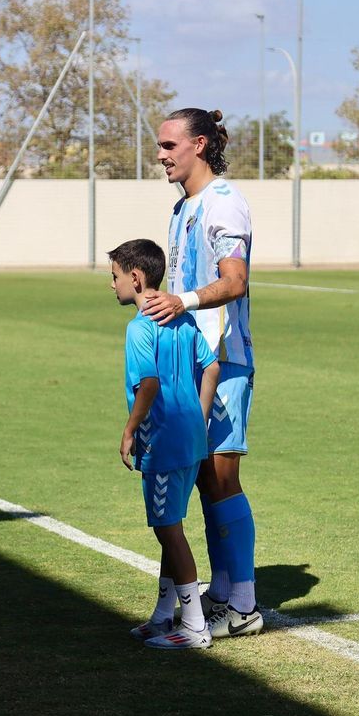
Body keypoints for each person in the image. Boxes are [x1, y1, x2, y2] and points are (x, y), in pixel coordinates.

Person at [140, 108, 261, 638]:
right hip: (191, 363)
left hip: (225, 358)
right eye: (160, 146)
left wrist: (181, 300)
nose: (162, 155)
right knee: (200, 476)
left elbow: (235, 281)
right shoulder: (182, 207)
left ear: (201, 145)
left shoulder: (224, 205)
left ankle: (244, 602)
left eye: (170, 145)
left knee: (221, 476)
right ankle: (219, 592)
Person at [110, 239, 221, 650]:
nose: (113, 284)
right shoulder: (183, 321)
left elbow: (149, 385)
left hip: (164, 442)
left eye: (116, 276)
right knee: (168, 524)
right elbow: (211, 367)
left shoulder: (139, 328)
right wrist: (201, 415)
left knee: (168, 529)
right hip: (191, 438)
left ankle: (194, 625)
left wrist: (128, 430)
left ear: (136, 278)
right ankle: (163, 616)